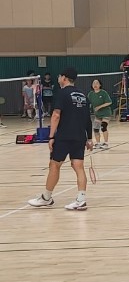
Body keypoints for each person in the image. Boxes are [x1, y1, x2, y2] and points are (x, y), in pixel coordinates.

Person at [27, 67, 93, 210]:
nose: (58, 79)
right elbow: (88, 118)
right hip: (79, 136)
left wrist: (51, 136)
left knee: (54, 165)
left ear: (64, 78)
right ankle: (81, 199)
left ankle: (46, 198)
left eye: (59, 76)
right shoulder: (83, 95)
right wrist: (89, 138)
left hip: (64, 136)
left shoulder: (62, 93)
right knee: (78, 166)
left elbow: (56, 115)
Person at [87, 79, 113, 150]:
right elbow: (88, 103)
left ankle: (106, 143)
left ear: (100, 85)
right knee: (96, 129)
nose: (95, 85)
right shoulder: (90, 94)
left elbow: (109, 102)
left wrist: (99, 107)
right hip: (97, 115)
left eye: (97, 83)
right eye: (94, 83)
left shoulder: (103, 93)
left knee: (103, 126)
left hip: (106, 113)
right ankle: (98, 143)